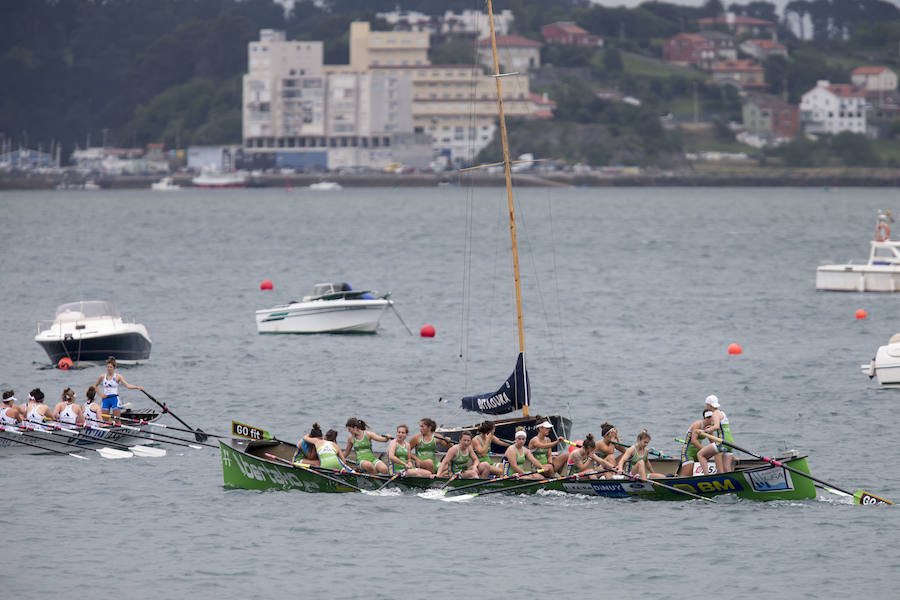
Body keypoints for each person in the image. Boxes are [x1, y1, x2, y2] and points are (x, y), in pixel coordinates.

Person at [94, 356, 143, 423]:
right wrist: (101, 395)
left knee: (117, 420)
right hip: (105, 400)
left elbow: (127, 385)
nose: (109, 369)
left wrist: (137, 387)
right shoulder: (102, 376)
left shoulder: (118, 376)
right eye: (108, 367)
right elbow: (95, 386)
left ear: (114, 368)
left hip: (115, 399)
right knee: (104, 421)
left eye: (110, 367)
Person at [697, 394, 735, 474]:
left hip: (722, 442)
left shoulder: (714, 414)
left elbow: (717, 426)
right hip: (730, 442)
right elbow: (721, 426)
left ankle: (706, 476)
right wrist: (711, 427)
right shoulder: (722, 413)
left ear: (709, 405)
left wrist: (704, 431)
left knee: (700, 454)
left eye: (706, 404)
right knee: (727, 469)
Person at [679, 410, 714, 476]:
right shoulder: (698, 424)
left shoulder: (710, 428)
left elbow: (713, 444)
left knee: (714, 451)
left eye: (712, 418)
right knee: (687, 476)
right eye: (709, 418)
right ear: (705, 418)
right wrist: (704, 450)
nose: (711, 420)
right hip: (688, 453)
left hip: (698, 453)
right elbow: (694, 441)